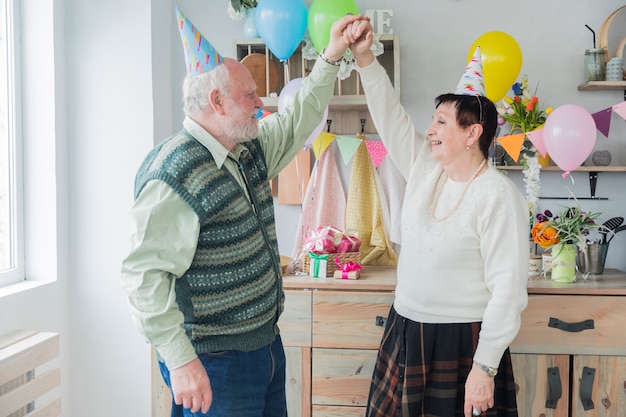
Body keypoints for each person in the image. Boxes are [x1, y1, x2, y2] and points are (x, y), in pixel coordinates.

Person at [120, 8, 368, 417]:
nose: (259, 103)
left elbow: (296, 119)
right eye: (249, 94)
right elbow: (142, 277)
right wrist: (181, 362)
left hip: (264, 347)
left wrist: (331, 55)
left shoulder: (244, 147)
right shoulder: (174, 172)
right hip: (214, 361)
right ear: (217, 101)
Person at [344, 19, 529, 417]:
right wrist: (363, 58)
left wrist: (484, 368)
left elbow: (508, 292)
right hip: (405, 328)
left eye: (441, 122)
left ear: (472, 133)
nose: (428, 130)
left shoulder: (498, 196)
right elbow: (390, 117)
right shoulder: (425, 170)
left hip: (462, 343)